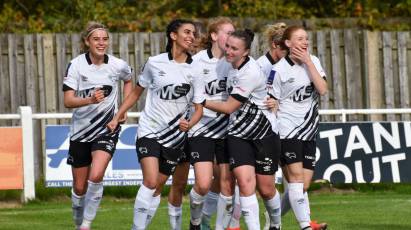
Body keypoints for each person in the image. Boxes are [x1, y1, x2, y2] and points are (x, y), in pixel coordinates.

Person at [106, 19, 204, 230]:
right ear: (173, 35)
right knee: (150, 181)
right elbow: (136, 92)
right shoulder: (154, 62)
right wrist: (118, 115)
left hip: (175, 138)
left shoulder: (196, 69)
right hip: (149, 130)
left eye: (193, 33)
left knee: (157, 186)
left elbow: (199, 109)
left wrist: (190, 123)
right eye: (186, 32)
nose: (191, 37)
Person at [202, 29, 281, 230]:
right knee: (245, 184)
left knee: (266, 189)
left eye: (234, 49)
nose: (228, 51)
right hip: (237, 134)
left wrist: (200, 101)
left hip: (263, 134)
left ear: (246, 52)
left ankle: (276, 224)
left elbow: (229, 107)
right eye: (227, 45)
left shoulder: (251, 72)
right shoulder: (229, 66)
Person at [63, 22, 133, 230]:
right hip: (80, 131)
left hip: (107, 128)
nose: (101, 43)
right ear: (87, 42)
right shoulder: (75, 65)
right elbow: (68, 101)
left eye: (105, 39)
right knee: (79, 187)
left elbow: (129, 80)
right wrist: (90, 100)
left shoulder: (117, 65)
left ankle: (86, 225)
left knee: (96, 174)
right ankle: (78, 222)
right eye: (96, 39)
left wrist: (122, 110)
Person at [271, 25, 328, 230]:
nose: (305, 42)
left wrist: (308, 63)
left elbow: (322, 89)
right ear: (288, 43)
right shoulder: (277, 70)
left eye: (306, 38)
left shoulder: (313, 61)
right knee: (295, 180)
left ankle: (273, 221)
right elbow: (272, 102)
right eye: (300, 39)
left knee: (302, 185)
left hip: (309, 130)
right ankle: (306, 225)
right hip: (287, 130)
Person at [184, 17, 236, 230]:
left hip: (228, 130)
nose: (231, 38)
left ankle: (217, 227)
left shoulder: (236, 63)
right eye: (227, 33)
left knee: (227, 184)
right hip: (201, 128)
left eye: (234, 33)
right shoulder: (196, 62)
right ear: (214, 36)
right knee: (204, 184)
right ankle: (196, 221)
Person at [257, 22, 288, 230]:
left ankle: (275, 222)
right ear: (276, 45)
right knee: (252, 186)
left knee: (297, 185)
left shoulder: (291, 66)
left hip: (285, 128)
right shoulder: (260, 66)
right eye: (288, 48)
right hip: (261, 131)